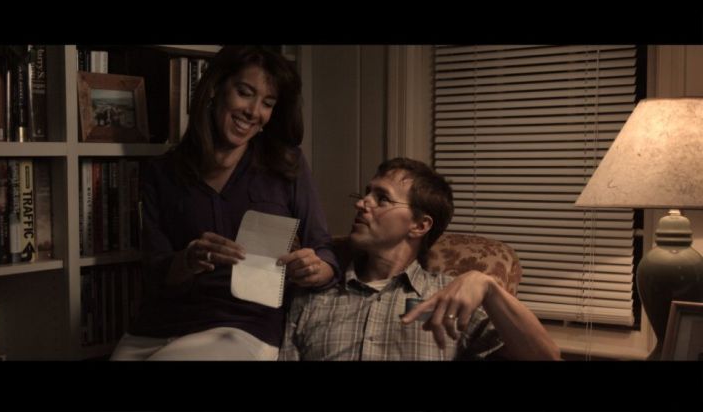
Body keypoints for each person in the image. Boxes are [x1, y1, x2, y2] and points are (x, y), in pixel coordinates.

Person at [111, 46, 339, 361]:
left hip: (242, 327)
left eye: (267, 103)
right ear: (216, 88)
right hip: (155, 327)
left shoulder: (287, 166)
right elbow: (155, 272)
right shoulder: (162, 172)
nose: (254, 111)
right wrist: (188, 259)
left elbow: (324, 251)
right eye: (245, 93)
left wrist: (316, 269)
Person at [279, 157, 560, 360]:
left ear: (419, 225)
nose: (361, 203)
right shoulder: (315, 296)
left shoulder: (450, 299)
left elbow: (546, 357)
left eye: (382, 199)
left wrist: (487, 287)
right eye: (366, 194)